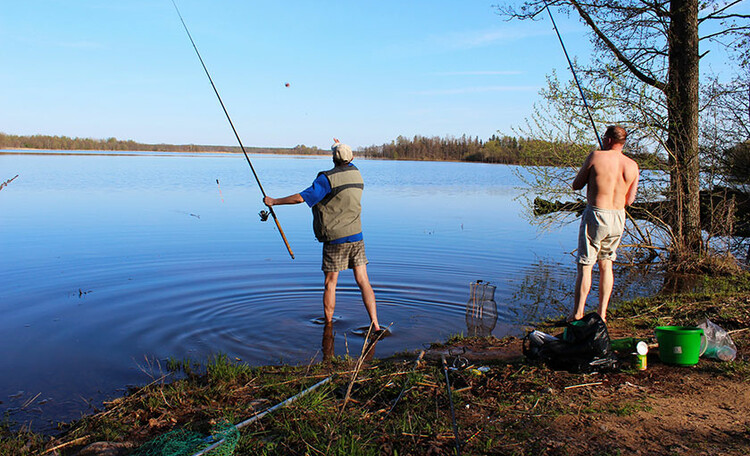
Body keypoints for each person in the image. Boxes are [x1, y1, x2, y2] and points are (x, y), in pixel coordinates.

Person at [264, 139, 381, 333]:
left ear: (333, 158)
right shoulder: (357, 174)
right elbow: (346, 161)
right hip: (356, 236)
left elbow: (301, 198)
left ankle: (328, 326)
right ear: (351, 158)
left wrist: (274, 201)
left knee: (330, 283)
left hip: (335, 238)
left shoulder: (326, 179)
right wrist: (341, 145)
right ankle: (376, 325)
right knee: (363, 281)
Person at [569, 126, 639, 323]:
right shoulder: (633, 166)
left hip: (596, 214)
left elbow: (576, 185)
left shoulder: (596, 156)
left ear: (608, 140)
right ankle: (602, 313)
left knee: (586, 265)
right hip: (618, 217)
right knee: (607, 264)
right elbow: (630, 200)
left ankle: (577, 313)